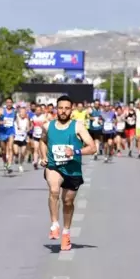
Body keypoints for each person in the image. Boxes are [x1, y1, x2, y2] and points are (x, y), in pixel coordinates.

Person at [39, 95, 96, 251]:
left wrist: (75, 151)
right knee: (54, 190)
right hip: (54, 166)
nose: (63, 111)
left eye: (66, 108)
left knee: (68, 202)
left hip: (72, 169)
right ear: (56, 109)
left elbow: (92, 148)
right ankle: (54, 225)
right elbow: (42, 141)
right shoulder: (48, 126)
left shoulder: (78, 126)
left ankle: (66, 233)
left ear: (71, 110)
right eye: (60, 108)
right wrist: (43, 156)